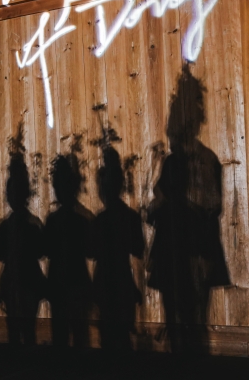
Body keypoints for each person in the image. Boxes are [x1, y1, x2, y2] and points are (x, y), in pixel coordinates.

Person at [147, 65, 230, 354]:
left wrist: (174, 204)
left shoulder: (205, 161)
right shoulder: (173, 161)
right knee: (176, 320)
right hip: (173, 250)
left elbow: (212, 206)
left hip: (194, 252)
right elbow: (158, 204)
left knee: (193, 321)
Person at [92, 143, 145, 350]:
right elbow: (138, 249)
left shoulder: (101, 220)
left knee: (108, 336)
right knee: (122, 336)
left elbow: (91, 251)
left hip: (106, 281)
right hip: (122, 281)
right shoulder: (130, 217)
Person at [0, 131, 45, 345]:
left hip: (20, 281)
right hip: (25, 281)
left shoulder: (9, 225)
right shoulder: (29, 224)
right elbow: (41, 251)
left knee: (18, 331)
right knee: (25, 331)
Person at [44, 153, 94, 348]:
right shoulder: (83, 220)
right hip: (76, 283)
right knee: (79, 336)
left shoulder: (53, 221)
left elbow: (46, 250)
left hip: (61, 284)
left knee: (62, 336)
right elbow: (90, 251)